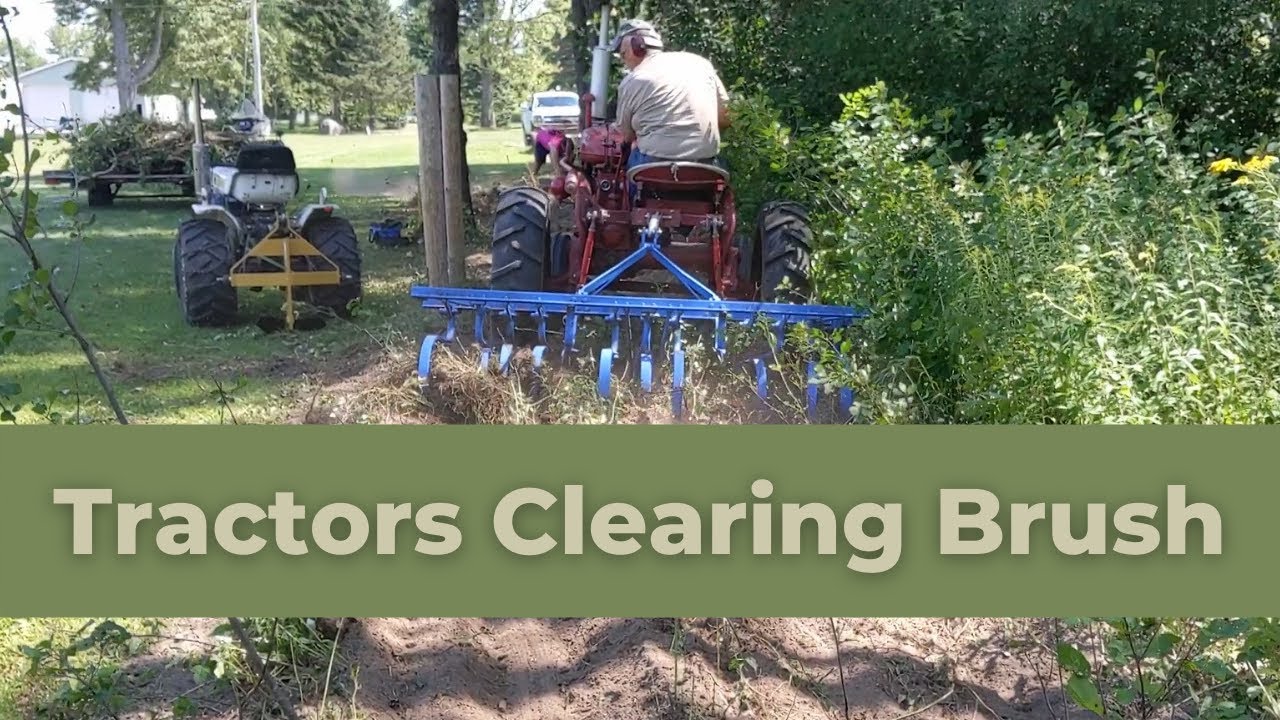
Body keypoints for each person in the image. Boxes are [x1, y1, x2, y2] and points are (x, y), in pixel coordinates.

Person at [610, 19, 731, 171]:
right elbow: (726, 116)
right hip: (705, 167)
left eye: (623, 54)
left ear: (637, 46)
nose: (623, 61)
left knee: (624, 170)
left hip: (653, 168)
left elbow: (627, 136)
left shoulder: (633, 80)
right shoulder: (701, 64)